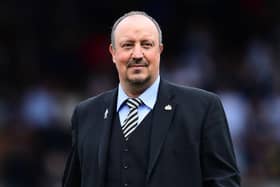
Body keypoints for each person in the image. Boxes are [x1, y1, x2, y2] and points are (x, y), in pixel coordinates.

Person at [62, 11, 241, 187]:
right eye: (127, 45)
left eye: (146, 44)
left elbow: (224, 182)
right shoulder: (85, 114)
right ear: (113, 52)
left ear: (160, 50)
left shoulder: (203, 108)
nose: (138, 54)